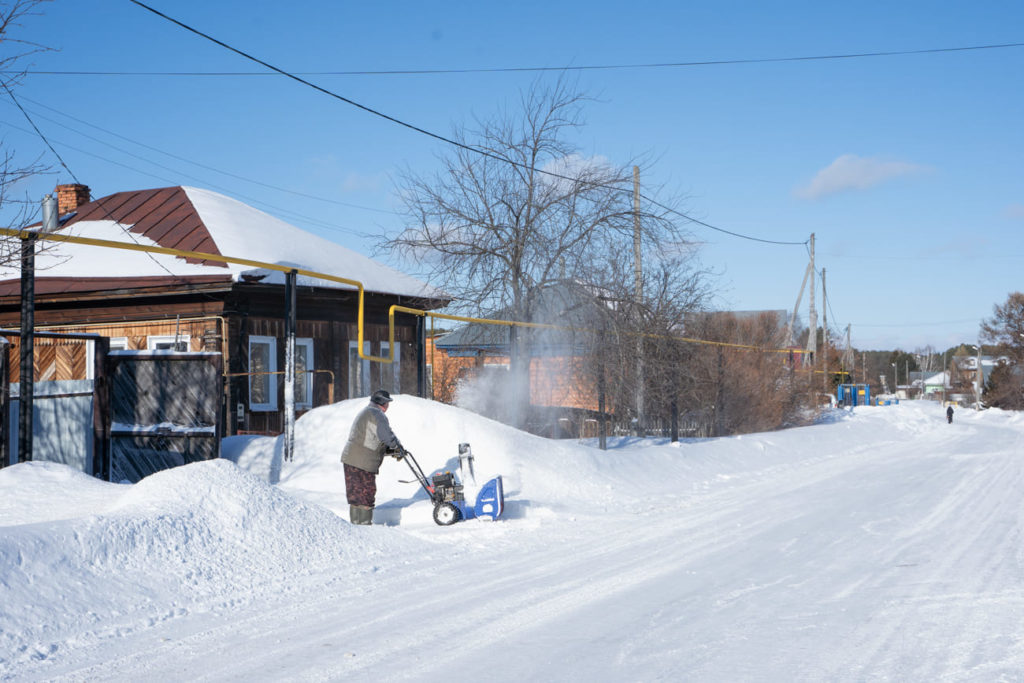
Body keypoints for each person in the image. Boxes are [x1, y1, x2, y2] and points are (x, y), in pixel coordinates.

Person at [341, 389, 404, 525]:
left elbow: (370, 439)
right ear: (384, 403)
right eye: (388, 403)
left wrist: (389, 450)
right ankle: (364, 529)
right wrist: (398, 448)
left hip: (350, 459)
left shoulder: (365, 412)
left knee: (355, 496)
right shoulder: (377, 414)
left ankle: (355, 527)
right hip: (363, 463)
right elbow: (386, 436)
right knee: (366, 495)